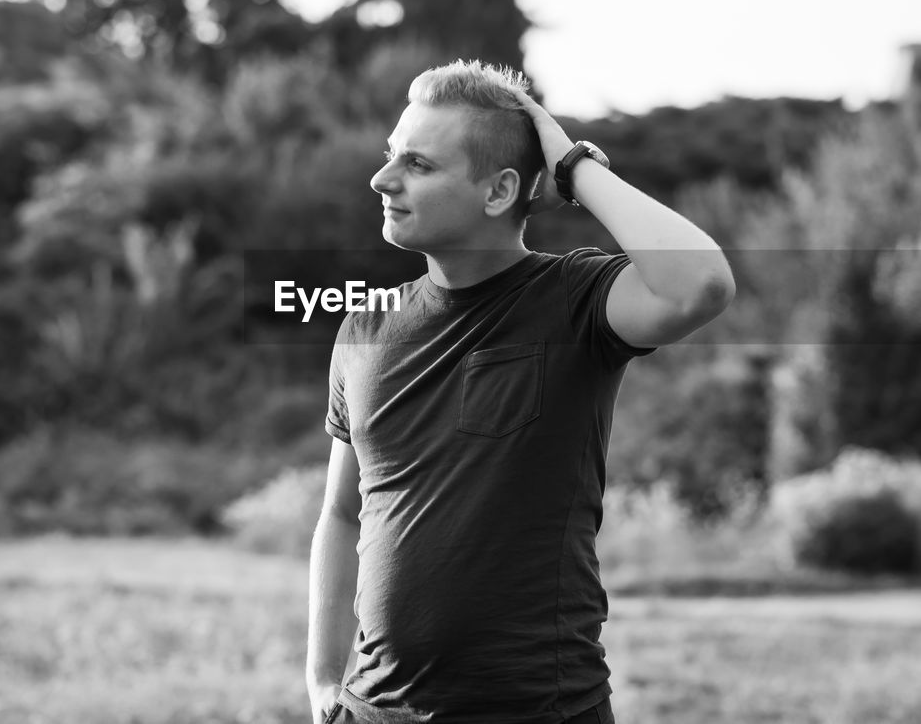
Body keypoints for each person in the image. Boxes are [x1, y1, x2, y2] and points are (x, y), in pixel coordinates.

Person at [306, 60, 735, 724]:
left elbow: (701, 285)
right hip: (372, 713)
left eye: (418, 164)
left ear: (499, 190)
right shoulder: (364, 325)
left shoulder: (574, 300)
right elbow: (340, 512)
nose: (382, 178)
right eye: (391, 154)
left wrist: (571, 167)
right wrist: (323, 674)